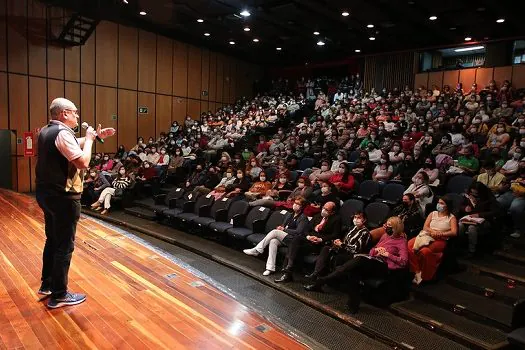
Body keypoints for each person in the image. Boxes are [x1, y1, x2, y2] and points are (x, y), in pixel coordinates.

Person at [36, 97, 115, 308]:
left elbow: (68, 144)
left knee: (52, 240)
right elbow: (83, 162)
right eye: (74, 112)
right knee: (64, 245)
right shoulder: (62, 133)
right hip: (63, 197)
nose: (77, 116)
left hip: (47, 194)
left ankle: (48, 284)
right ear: (64, 114)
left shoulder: (47, 131)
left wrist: (95, 136)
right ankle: (59, 295)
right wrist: (89, 140)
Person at [304, 216, 408, 314]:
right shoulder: (385, 236)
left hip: (383, 266)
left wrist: (388, 254)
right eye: (387, 225)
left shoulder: (401, 241)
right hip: (373, 259)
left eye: (390, 227)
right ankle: (353, 304)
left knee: (359, 260)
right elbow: (373, 250)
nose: (387, 228)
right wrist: (376, 250)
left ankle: (323, 280)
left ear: (396, 228)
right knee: (354, 270)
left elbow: (403, 261)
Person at [274, 201, 341, 283]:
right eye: (323, 208)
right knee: (296, 240)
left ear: (332, 212)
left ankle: (288, 271)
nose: (323, 210)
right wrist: (309, 237)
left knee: (294, 249)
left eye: (326, 209)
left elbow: (335, 235)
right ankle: (289, 268)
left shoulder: (336, 219)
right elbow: (306, 229)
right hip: (309, 240)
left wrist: (320, 239)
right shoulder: (317, 216)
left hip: (319, 244)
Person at [243, 197, 310, 276]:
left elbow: (299, 232)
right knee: (273, 241)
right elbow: (284, 226)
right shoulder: (290, 215)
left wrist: (283, 229)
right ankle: (270, 268)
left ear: (302, 207)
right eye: (295, 203)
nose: (295, 205)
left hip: (294, 241)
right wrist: (281, 228)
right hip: (285, 238)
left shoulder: (303, 218)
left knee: (275, 232)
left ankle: (257, 250)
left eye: (298, 204)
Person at [304, 212, 371, 280]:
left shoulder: (365, 233)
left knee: (334, 256)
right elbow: (345, 241)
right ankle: (316, 273)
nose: (356, 219)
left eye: (359, 218)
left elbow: (356, 249)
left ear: (364, 220)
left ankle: (324, 278)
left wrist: (342, 245)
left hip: (352, 256)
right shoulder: (352, 228)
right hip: (343, 250)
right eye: (355, 217)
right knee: (326, 248)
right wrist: (338, 242)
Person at [408, 196, 458, 285]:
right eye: (439, 202)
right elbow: (425, 227)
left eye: (442, 203)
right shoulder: (433, 213)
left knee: (424, 251)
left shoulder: (451, 217)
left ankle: (426, 277)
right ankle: (416, 271)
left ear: (447, 206)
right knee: (409, 245)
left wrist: (441, 234)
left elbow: (454, 232)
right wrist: (433, 231)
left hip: (440, 239)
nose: (439, 205)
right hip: (426, 235)